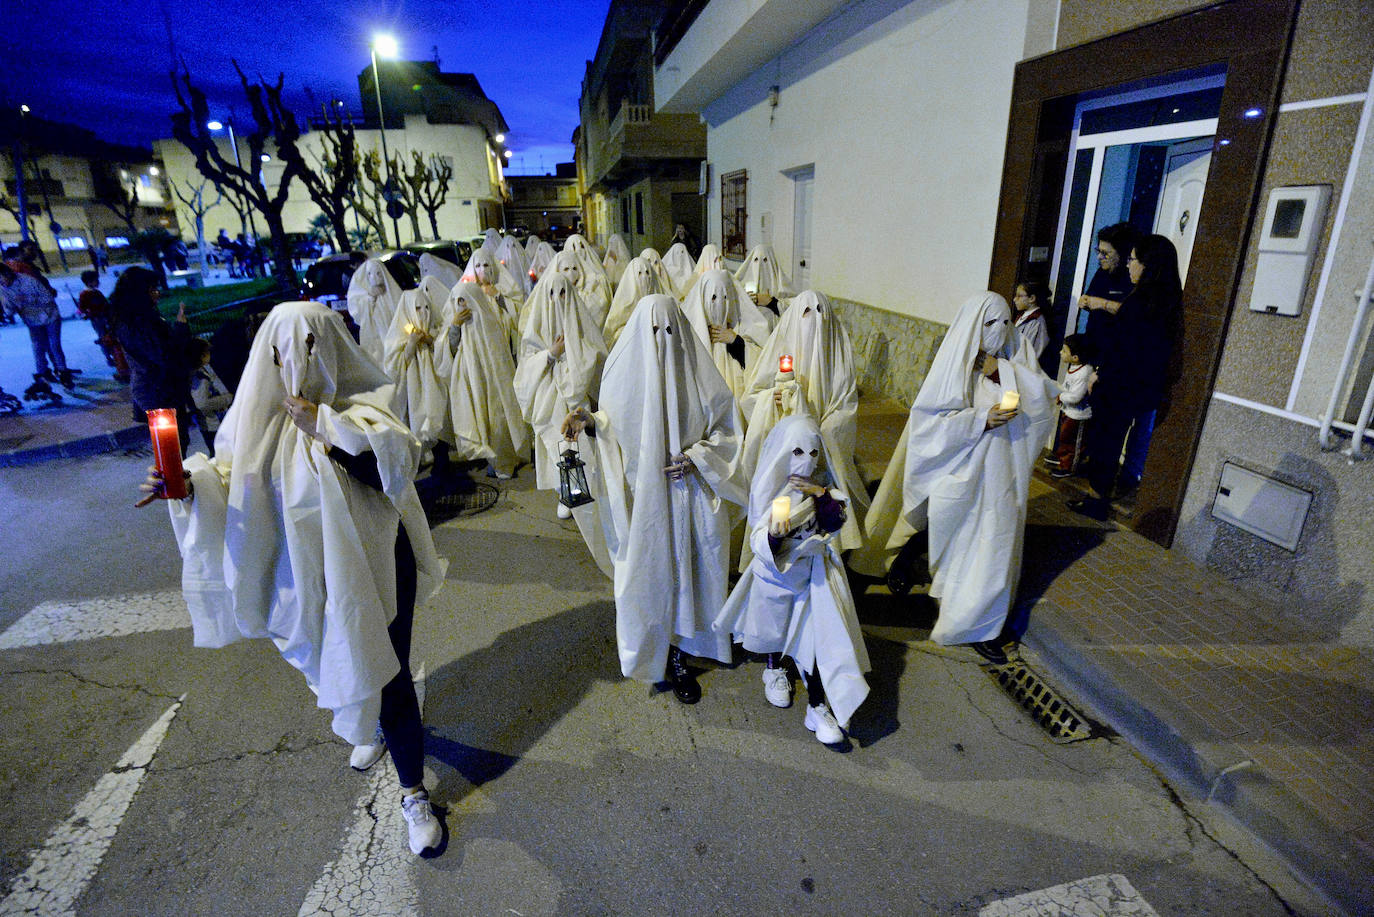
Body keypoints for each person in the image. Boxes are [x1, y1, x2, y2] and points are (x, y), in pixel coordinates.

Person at [139, 300, 447, 857]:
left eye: (311, 349)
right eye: (283, 352)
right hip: (305, 573)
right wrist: (184, 485)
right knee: (343, 653)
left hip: (378, 562)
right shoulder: (252, 421)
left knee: (392, 672)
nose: (296, 364)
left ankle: (413, 792)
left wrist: (325, 426)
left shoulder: (366, 406)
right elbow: (228, 482)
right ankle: (370, 722)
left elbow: (394, 471)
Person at [560, 294, 748, 704]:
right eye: (653, 332)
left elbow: (727, 431)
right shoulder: (622, 373)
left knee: (691, 576)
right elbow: (612, 425)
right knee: (650, 574)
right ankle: (651, 647)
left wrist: (698, 458)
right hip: (645, 499)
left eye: (670, 331)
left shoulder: (700, 373)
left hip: (691, 496)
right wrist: (589, 422)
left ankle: (682, 653)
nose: (662, 341)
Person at [854, 292, 1058, 663]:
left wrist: (1001, 371)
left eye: (1004, 322)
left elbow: (1044, 398)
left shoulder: (1017, 351)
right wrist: (979, 420)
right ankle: (925, 579)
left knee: (994, 551)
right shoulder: (957, 359)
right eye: (989, 323)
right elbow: (929, 422)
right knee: (960, 552)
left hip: (1003, 478)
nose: (999, 331)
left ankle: (981, 626)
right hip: (963, 474)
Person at [714, 415, 870, 746]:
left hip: (812, 576)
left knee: (814, 639)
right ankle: (773, 668)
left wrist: (820, 494)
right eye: (798, 452)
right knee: (773, 629)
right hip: (775, 576)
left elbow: (835, 520)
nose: (806, 462)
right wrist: (772, 537)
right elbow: (759, 535)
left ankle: (817, 704)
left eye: (813, 454)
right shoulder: (768, 485)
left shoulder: (822, 483)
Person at [740, 290, 867, 557]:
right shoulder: (778, 347)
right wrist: (770, 401)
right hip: (785, 446)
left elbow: (845, 403)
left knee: (821, 516)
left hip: (822, 445)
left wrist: (826, 431)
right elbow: (751, 397)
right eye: (807, 313)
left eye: (821, 312)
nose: (815, 320)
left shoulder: (838, 352)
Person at [1070, 235, 1182, 519]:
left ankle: (1097, 500)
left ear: (1148, 265)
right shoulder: (1168, 301)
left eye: (1133, 260)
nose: (1130, 266)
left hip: (1120, 386)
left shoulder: (1141, 301)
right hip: (1143, 388)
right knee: (1125, 440)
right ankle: (1110, 489)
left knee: (1105, 443)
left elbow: (1123, 348)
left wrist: (1099, 374)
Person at [514, 273, 608, 522]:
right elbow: (525, 367)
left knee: (581, 447)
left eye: (563, 293)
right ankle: (563, 492)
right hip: (548, 399)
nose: (558, 300)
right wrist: (551, 354)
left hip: (576, 400)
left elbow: (595, 355)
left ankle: (584, 491)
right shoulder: (536, 329)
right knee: (556, 448)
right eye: (552, 294)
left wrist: (575, 355)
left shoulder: (580, 322)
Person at [437, 281, 529, 479]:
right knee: (478, 418)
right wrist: (455, 326)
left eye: (464, 300)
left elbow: (498, 353)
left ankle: (504, 461)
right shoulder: (457, 325)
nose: (461, 305)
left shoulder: (488, 321)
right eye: (457, 301)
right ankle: (489, 458)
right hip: (470, 377)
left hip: (491, 380)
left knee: (498, 419)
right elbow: (448, 351)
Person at [108, 266, 192, 444]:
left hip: (162, 388)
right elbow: (162, 355)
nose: (157, 293)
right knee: (172, 448)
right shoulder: (135, 324)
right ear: (138, 293)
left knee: (178, 443)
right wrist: (180, 327)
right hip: (156, 392)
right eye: (153, 289)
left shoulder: (141, 317)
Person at [679, 268, 770, 401]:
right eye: (714, 298)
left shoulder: (744, 327)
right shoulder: (689, 330)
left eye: (725, 297)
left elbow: (763, 361)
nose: (720, 304)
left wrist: (736, 341)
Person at [383, 278, 449, 446]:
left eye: (426, 308)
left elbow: (445, 352)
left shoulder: (435, 329)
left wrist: (431, 340)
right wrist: (411, 344)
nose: (423, 313)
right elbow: (394, 365)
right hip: (412, 388)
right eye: (417, 309)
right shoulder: (397, 336)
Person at [1, 260, 74, 390]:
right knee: (38, 347)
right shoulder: (3, 289)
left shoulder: (28, 281)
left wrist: (27, 301)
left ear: (7, 273)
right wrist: (10, 309)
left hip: (49, 315)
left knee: (54, 344)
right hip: (31, 320)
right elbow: (9, 309)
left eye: (2, 279)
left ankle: (63, 371)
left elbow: (48, 298)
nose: (2, 283)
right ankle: (42, 373)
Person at [1048, 333, 1094, 479]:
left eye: (1064, 351)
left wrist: (1060, 396)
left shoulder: (1084, 372)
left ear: (1075, 357)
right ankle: (1063, 460)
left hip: (1078, 415)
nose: (1060, 353)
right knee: (1065, 438)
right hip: (1068, 412)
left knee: (1074, 443)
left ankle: (1069, 467)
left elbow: (1075, 397)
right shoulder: (1074, 367)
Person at [346, 259, 403, 367]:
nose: (375, 277)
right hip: (374, 334)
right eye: (371, 274)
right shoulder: (363, 296)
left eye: (378, 273)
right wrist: (370, 297)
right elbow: (357, 312)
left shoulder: (390, 292)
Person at [602, 256, 664, 348]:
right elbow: (611, 336)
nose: (644, 277)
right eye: (639, 273)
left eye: (647, 273)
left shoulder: (662, 303)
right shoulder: (622, 307)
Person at [78, 269, 129, 380]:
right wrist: (86, 314)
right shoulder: (84, 294)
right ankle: (109, 356)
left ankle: (115, 355)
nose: (98, 282)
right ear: (89, 282)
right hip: (97, 319)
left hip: (105, 317)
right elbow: (81, 309)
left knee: (110, 335)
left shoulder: (97, 292)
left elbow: (105, 304)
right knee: (103, 337)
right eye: (96, 280)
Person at [188, 338, 233, 455]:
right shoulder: (200, 378)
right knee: (220, 454)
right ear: (202, 356)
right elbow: (202, 404)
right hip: (212, 424)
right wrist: (227, 398)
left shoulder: (202, 371)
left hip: (213, 423)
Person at [734, 244, 794, 326]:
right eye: (756, 260)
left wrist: (771, 302)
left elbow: (793, 309)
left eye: (765, 260)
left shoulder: (783, 286)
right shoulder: (741, 286)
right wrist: (746, 300)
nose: (760, 266)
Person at [1012, 279, 1050, 360]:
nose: (1015, 299)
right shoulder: (1022, 316)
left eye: (1019, 296)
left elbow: (1034, 353)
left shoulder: (1037, 322)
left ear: (1032, 298)